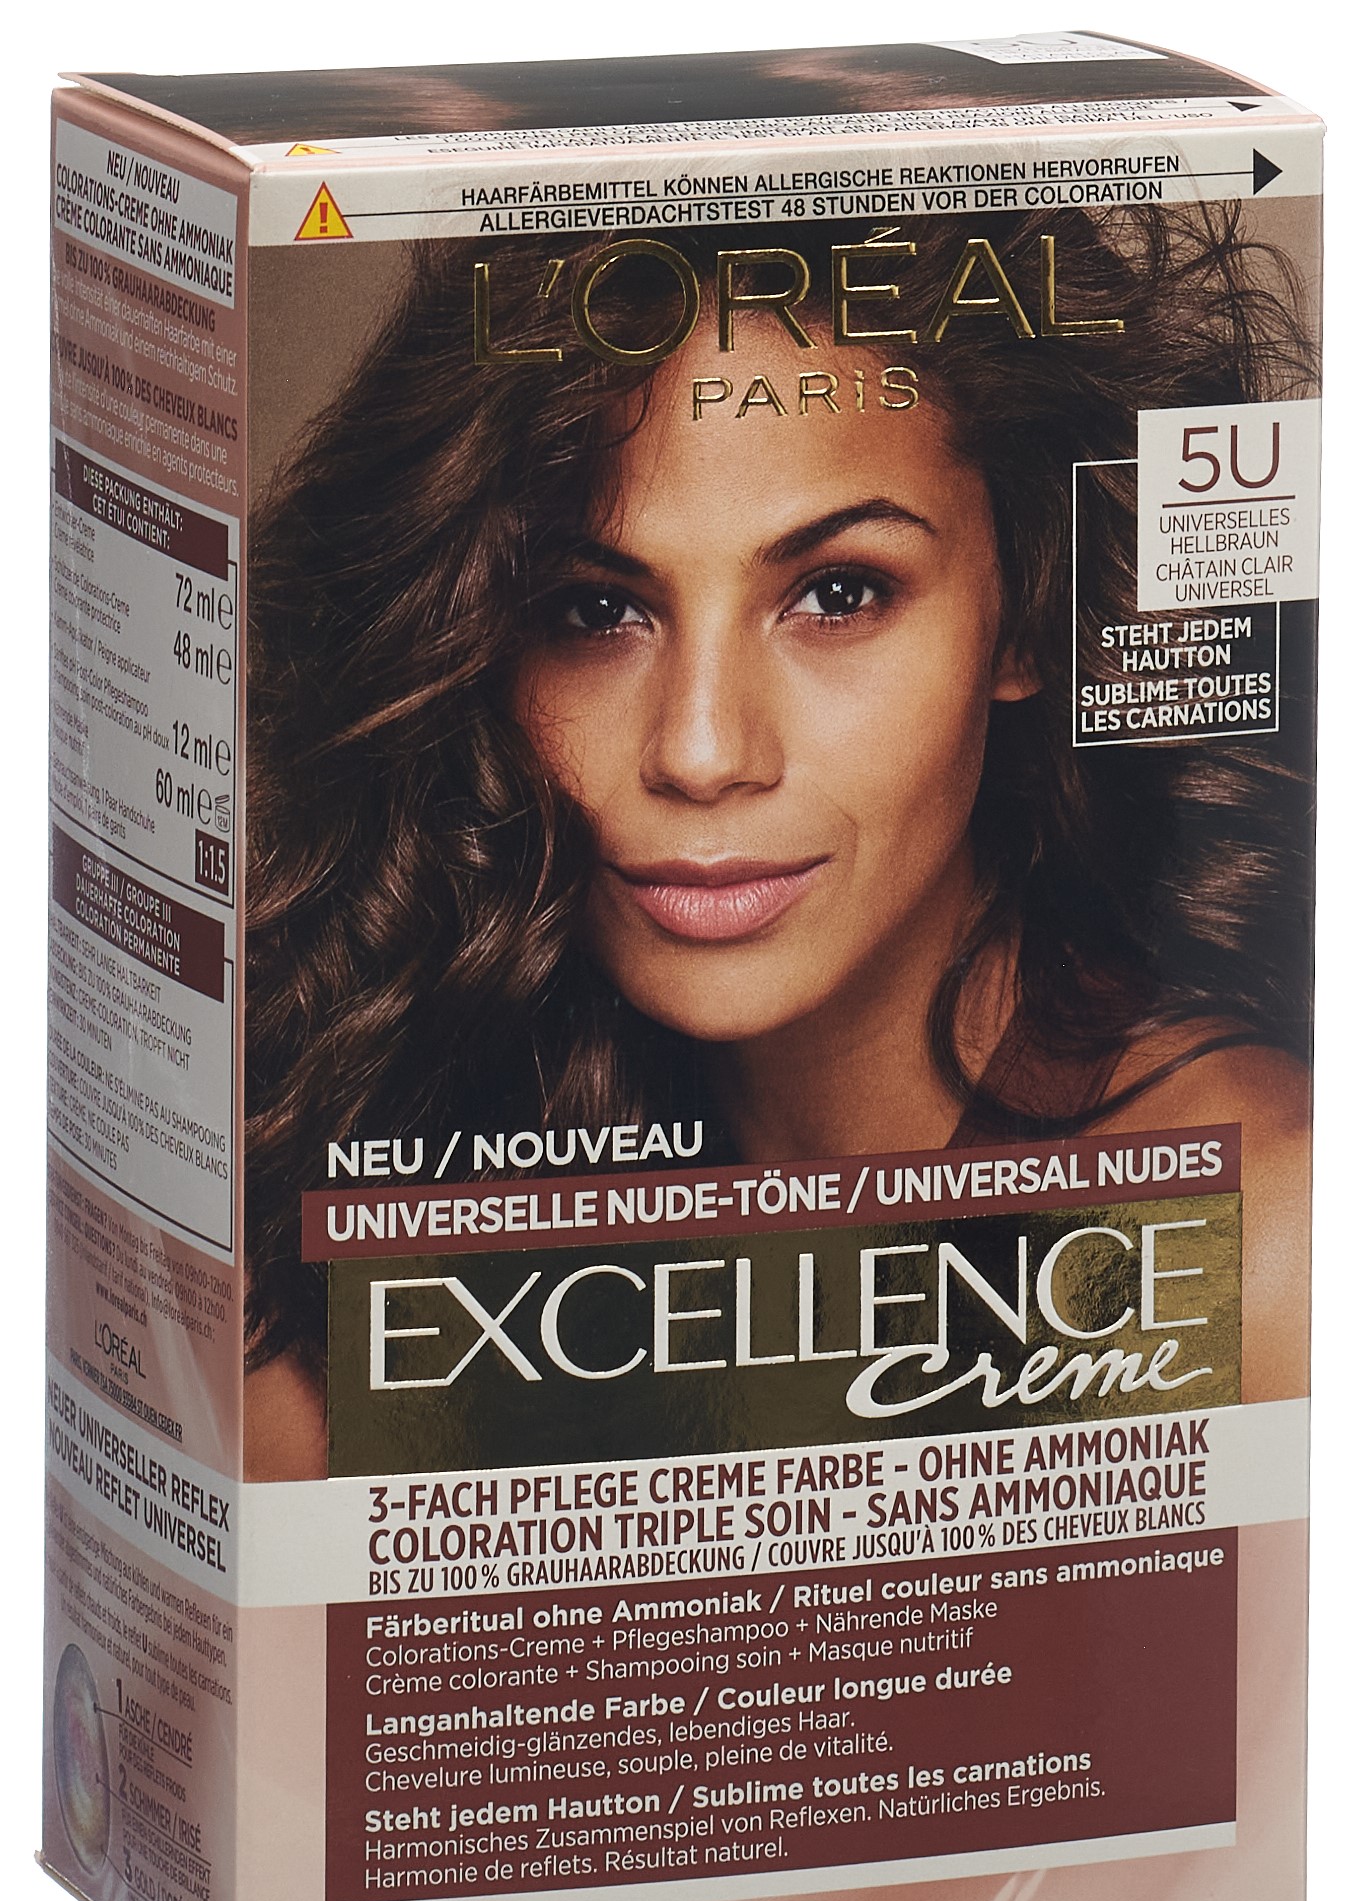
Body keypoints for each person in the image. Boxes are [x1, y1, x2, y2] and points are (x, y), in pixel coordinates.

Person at [244, 206, 1316, 1475]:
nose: (701, 751)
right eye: (593, 610)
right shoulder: (368, 1218)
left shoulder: (1257, 1238)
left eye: (837, 594)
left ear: (1030, 617)